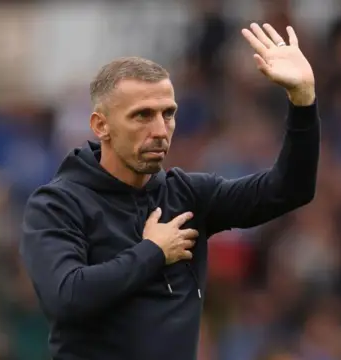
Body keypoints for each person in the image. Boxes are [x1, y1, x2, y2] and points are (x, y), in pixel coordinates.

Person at [20, 22, 320, 360]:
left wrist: (303, 100)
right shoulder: (57, 204)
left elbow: (290, 189)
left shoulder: (188, 196)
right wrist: (152, 252)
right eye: (142, 116)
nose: (161, 130)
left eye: (169, 113)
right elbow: (66, 297)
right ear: (100, 125)